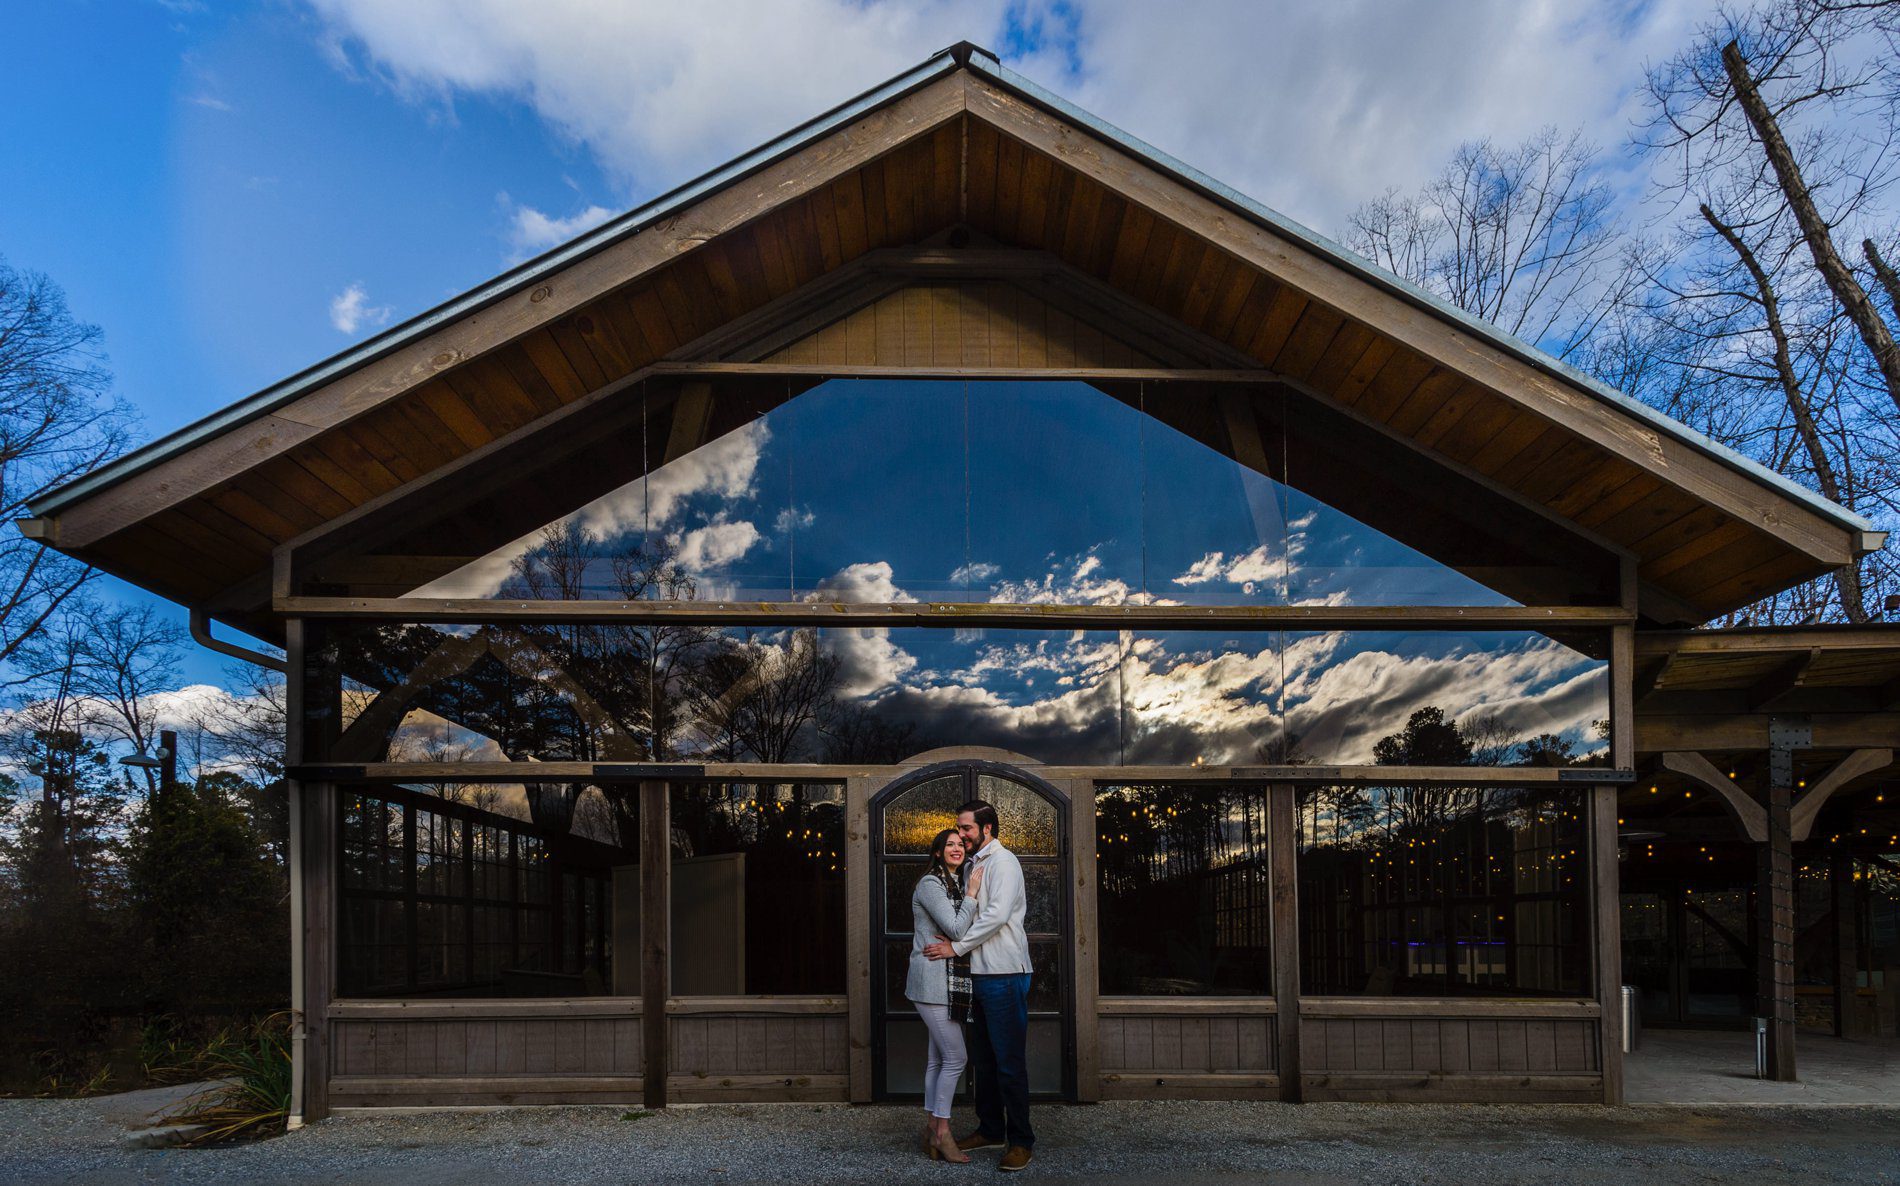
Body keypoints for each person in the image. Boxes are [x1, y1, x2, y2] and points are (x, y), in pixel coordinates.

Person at [924, 798, 1033, 1172]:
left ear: (986, 829)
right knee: (984, 1062)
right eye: (960, 829)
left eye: (966, 828)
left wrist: (955, 946)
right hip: (977, 976)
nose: (962, 835)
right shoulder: (972, 864)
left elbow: (996, 916)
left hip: (1004, 974)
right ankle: (990, 1130)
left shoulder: (1004, 862)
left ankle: (1020, 1141)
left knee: (1009, 1063)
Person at [906, 828, 984, 1163]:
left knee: (939, 1059)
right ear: (937, 852)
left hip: (942, 982)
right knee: (957, 1058)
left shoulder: (950, 882)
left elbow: (954, 932)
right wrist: (973, 894)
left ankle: (930, 1129)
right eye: (949, 844)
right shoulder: (931, 884)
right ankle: (942, 1132)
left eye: (960, 844)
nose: (957, 848)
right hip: (931, 982)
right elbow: (955, 928)